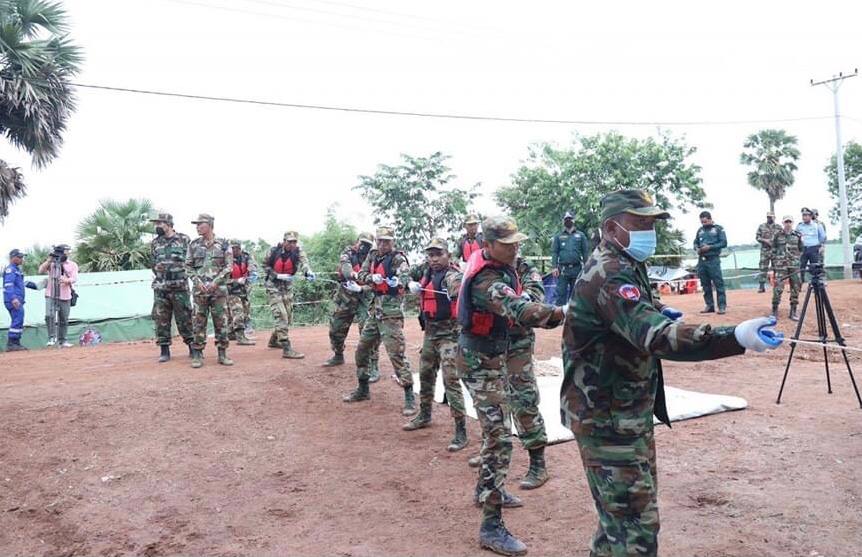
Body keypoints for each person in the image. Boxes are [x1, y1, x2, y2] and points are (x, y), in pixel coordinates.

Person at [561, 189, 783, 557]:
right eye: (640, 223)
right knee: (635, 531)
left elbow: (636, 308)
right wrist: (735, 337)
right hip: (606, 419)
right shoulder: (610, 273)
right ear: (611, 228)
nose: (649, 231)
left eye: (651, 223)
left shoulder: (624, 261)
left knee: (619, 522)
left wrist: (657, 307)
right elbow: (657, 337)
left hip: (621, 412)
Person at [457, 215, 565, 556]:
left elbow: (527, 295)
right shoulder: (486, 279)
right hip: (480, 363)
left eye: (517, 242)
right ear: (488, 245)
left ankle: (487, 490)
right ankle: (491, 527)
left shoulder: (507, 266)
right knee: (500, 438)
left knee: (501, 428)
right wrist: (565, 311)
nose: (515, 247)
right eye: (507, 244)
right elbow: (519, 309)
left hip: (495, 356)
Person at [342, 226, 416, 416]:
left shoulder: (398, 258)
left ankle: (409, 396)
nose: (383, 244)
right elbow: (361, 274)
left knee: (396, 354)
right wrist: (371, 278)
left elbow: (405, 274)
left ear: (393, 242)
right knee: (362, 349)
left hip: (391, 313)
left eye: (387, 241)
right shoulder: (373, 255)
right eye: (380, 241)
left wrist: (399, 281)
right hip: (375, 311)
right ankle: (363, 388)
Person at [402, 238, 468, 451]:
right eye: (431, 255)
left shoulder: (452, 274)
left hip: (450, 335)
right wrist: (408, 283)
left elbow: (458, 284)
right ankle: (424, 414)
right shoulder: (425, 270)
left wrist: (455, 293)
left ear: (448, 255)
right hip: (430, 332)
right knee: (425, 373)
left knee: (451, 380)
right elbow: (403, 272)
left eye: (439, 254)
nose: (434, 259)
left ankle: (460, 430)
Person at [321, 232, 379, 381]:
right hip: (345, 296)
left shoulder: (374, 258)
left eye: (367, 245)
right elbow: (346, 270)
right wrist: (355, 275)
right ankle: (338, 354)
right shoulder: (348, 253)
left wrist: (361, 287)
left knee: (368, 332)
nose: (363, 247)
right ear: (357, 241)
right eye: (362, 243)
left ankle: (373, 366)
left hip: (364, 298)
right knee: (336, 328)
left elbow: (375, 284)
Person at [185, 213, 233, 368]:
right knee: (198, 322)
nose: (197, 227)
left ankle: (222, 354)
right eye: (196, 225)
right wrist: (197, 282)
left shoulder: (224, 244)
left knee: (221, 321)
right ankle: (197, 354)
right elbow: (188, 267)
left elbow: (229, 267)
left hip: (218, 291)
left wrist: (216, 282)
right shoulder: (193, 245)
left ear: (210, 225)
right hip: (200, 291)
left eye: (200, 224)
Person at [149, 212, 194, 362]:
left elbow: (191, 262)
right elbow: (153, 264)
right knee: (161, 319)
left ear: (168, 224)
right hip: (161, 287)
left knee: (185, 317)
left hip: (180, 286)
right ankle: (164, 350)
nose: (157, 226)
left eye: (159, 223)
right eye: (156, 224)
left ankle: (192, 347)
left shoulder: (184, 239)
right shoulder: (155, 243)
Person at [263, 231, 316, 359]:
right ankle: (286, 348)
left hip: (287, 287)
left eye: (294, 242)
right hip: (273, 286)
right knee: (281, 315)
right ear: (284, 241)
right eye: (289, 241)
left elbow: (304, 263)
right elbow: (264, 265)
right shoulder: (273, 251)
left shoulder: (298, 251)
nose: (291, 244)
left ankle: (273, 341)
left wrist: (308, 272)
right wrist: (276, 275)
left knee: (288, 316)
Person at [38, 245, 78, 347]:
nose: (66, 253)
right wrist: (49, 260)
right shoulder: (51, 263)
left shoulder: (72, 264)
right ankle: (51, 337)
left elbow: (74, 278)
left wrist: (66, 280)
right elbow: (40, 271)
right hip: (50, 293)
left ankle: (63, 340)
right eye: (65, 251)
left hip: (65, 295)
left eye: (67, 251)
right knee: (49, 315)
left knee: (63, 318)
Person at [551, 210, 589, 306]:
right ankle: (559, 314)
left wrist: (587, 267)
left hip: (577, 269)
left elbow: (585, 252)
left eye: (570, 219)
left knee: (576, 295)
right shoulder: (558, 236)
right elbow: (555, 252)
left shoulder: (581, 235)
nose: (568, 221)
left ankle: (574, 314)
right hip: (563, 270)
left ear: (574, 220)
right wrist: (554, 267)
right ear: (563, 221)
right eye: (566, 219)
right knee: (560, 295)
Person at [693, 210, 727, 314]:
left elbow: (724, 243)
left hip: (713, 259)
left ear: (710, 219)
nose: (704, 224)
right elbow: (695, 242)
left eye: (705, 221)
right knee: (705, 284)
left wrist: (710, 247)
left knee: (718, 283)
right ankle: (709, 305)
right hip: (702, 260)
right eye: (702, 222)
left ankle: (721, 306)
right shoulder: (700, 230)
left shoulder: (718, 229)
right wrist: (697, 248)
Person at [3, 249, 37, 351]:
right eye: (20, 257)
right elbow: (8, 285)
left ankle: (15, 343)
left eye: (22, 257)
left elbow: (20, 284)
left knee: (18, 319)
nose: (22, 259)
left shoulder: (17, 270)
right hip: (13, 300)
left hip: (18, 299)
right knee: (18, 319)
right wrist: (13, 298)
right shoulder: (11, 270)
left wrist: (36, 285)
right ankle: (12, 343)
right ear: (13, 258)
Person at [771, 216, 803, 321]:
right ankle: (774, 310)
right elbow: (773, 250)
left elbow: (801, 249)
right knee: (778, 287)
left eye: (790, 222)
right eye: (786, 222)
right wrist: (775, 264)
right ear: (783, 223)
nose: (788, 224)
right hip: (781, 265)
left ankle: (793, 311)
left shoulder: (797, 235)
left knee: (795, 287)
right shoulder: (777, 235)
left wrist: (796, 259)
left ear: (792, 223)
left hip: (794, 265)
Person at [226, 240, 257, 346]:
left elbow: (252, 268)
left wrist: (251, 273)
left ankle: (230, 333)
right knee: (237, 312)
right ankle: (240, 337)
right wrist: (235, 281)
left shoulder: (246, 257)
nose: (235, 250)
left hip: (244, 290)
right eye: (233, 248)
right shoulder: (225, 259)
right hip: (231, 290)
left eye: (237, 248)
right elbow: (221, 277)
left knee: (245, 312)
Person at [797, 207, 827, 282]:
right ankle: (800, 283)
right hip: (803, 249)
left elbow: (822, 236)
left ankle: (816, 284)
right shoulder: (799, 226)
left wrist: (820, 245)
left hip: (814, 249)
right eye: (803, 215)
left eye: (806, 215)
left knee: (815, 268)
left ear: (810, 216)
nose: (804, 217)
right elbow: (796, 237)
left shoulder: (817, 225)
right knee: (801, 267)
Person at [755, 211, 782, 293]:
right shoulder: (762, 226)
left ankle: (777, 285)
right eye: (768, 217)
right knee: (763, 268)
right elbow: (757, 237)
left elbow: (782, 237)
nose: (769, 218)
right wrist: (765, 240)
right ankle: (761, 286)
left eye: (771, 217)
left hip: (775, 250)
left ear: (774, 217)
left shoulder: (778, 227)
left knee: (777, 268)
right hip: (765, 250)